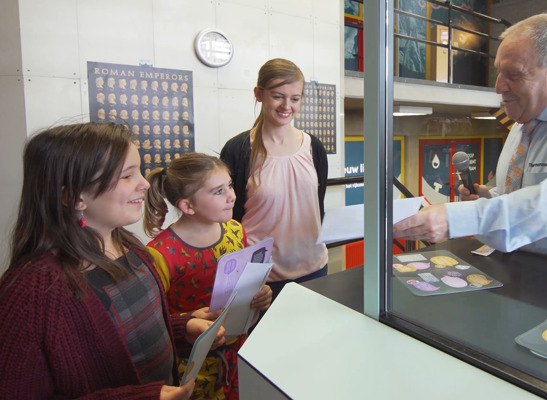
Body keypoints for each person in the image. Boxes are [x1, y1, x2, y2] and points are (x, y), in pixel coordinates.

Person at [394, 13, 547, 272]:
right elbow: (526, 194)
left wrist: (453, 218)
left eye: (513, 74)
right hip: (532, 274)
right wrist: (490, 197)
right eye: (499, 72)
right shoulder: (523, 124)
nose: (499, 86)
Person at [0, 122, 225, 399]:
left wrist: (182, 328)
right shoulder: (31, 292)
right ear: (73, 196)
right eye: (127, 176)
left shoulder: (133, 249)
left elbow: (129, 331)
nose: (144, 183)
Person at [143, 152, 273, 400]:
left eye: (230, 185)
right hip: (194, 364)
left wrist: (260, 294)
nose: (232, 196)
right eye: (218, 191)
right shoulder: (160, 253)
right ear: (187, 206)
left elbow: (244, 285)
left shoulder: (235, 229)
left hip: (238, 352)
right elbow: (156, 322)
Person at [220, 58, 328, 297]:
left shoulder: (313, 148)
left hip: (314, 268)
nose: (286, 106)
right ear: (259, 94)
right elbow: (228, 218)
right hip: (261, 277)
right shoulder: (238, 150)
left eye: (295, 98)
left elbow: (316, 206)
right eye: (278, 96)